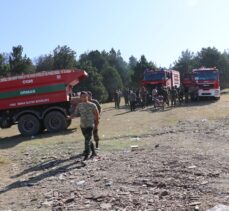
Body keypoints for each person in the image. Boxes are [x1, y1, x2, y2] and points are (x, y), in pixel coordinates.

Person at [70, 91, 99, 160]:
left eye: (86, 96)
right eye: (82, 97)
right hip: (83, 125)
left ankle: (86, 154)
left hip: (90, 125)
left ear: (88, 97)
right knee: (88, 139)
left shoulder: (92, 105)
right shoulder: (79, 105)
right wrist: (70, 117)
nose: (84, 98)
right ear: (80, 98)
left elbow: (97, 115)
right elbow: (76, 114)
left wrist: (96, 124)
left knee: (87, 140)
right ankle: (94, 152)